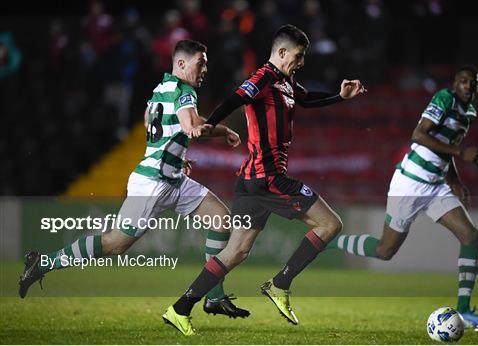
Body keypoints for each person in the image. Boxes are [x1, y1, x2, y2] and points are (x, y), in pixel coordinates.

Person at [18, 39, 251, 320]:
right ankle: (42, 263)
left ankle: (214, 297)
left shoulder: (160, 90)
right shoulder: (184, 91)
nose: (204, 70)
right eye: (200, 63)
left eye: (206, 65)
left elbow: (156, 123)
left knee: (221, 219)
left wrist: (192, 144)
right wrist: (209, 130)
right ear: (181, 64)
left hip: (172, 178)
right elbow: (191, 125)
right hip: (153, 183)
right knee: (115, 244)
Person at [162, 24, 366, 336]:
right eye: (298, 56)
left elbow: (307, 100)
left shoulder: (286, 81)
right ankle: (280, 284)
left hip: (252, 181)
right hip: (268, 178)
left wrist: (339, 96)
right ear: (281, 52)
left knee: (236, 252)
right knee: (330, 224)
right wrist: (209, 125)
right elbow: (235, 98)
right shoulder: (264, 77)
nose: (301, 62)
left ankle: (180, 308)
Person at [326, 66, 478, 330]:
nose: (468, 86)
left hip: (436, 185)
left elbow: (445, 148)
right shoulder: (444, 99)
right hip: (410, 184)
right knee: (385, 251)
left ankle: (464, 310)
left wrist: (454, 180)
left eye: (473, 83)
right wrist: (462, 153)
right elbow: (419, 135)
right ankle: (332, 241)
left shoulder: (470, 112)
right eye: (463, 81)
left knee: (471, 236)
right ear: (455, 83)